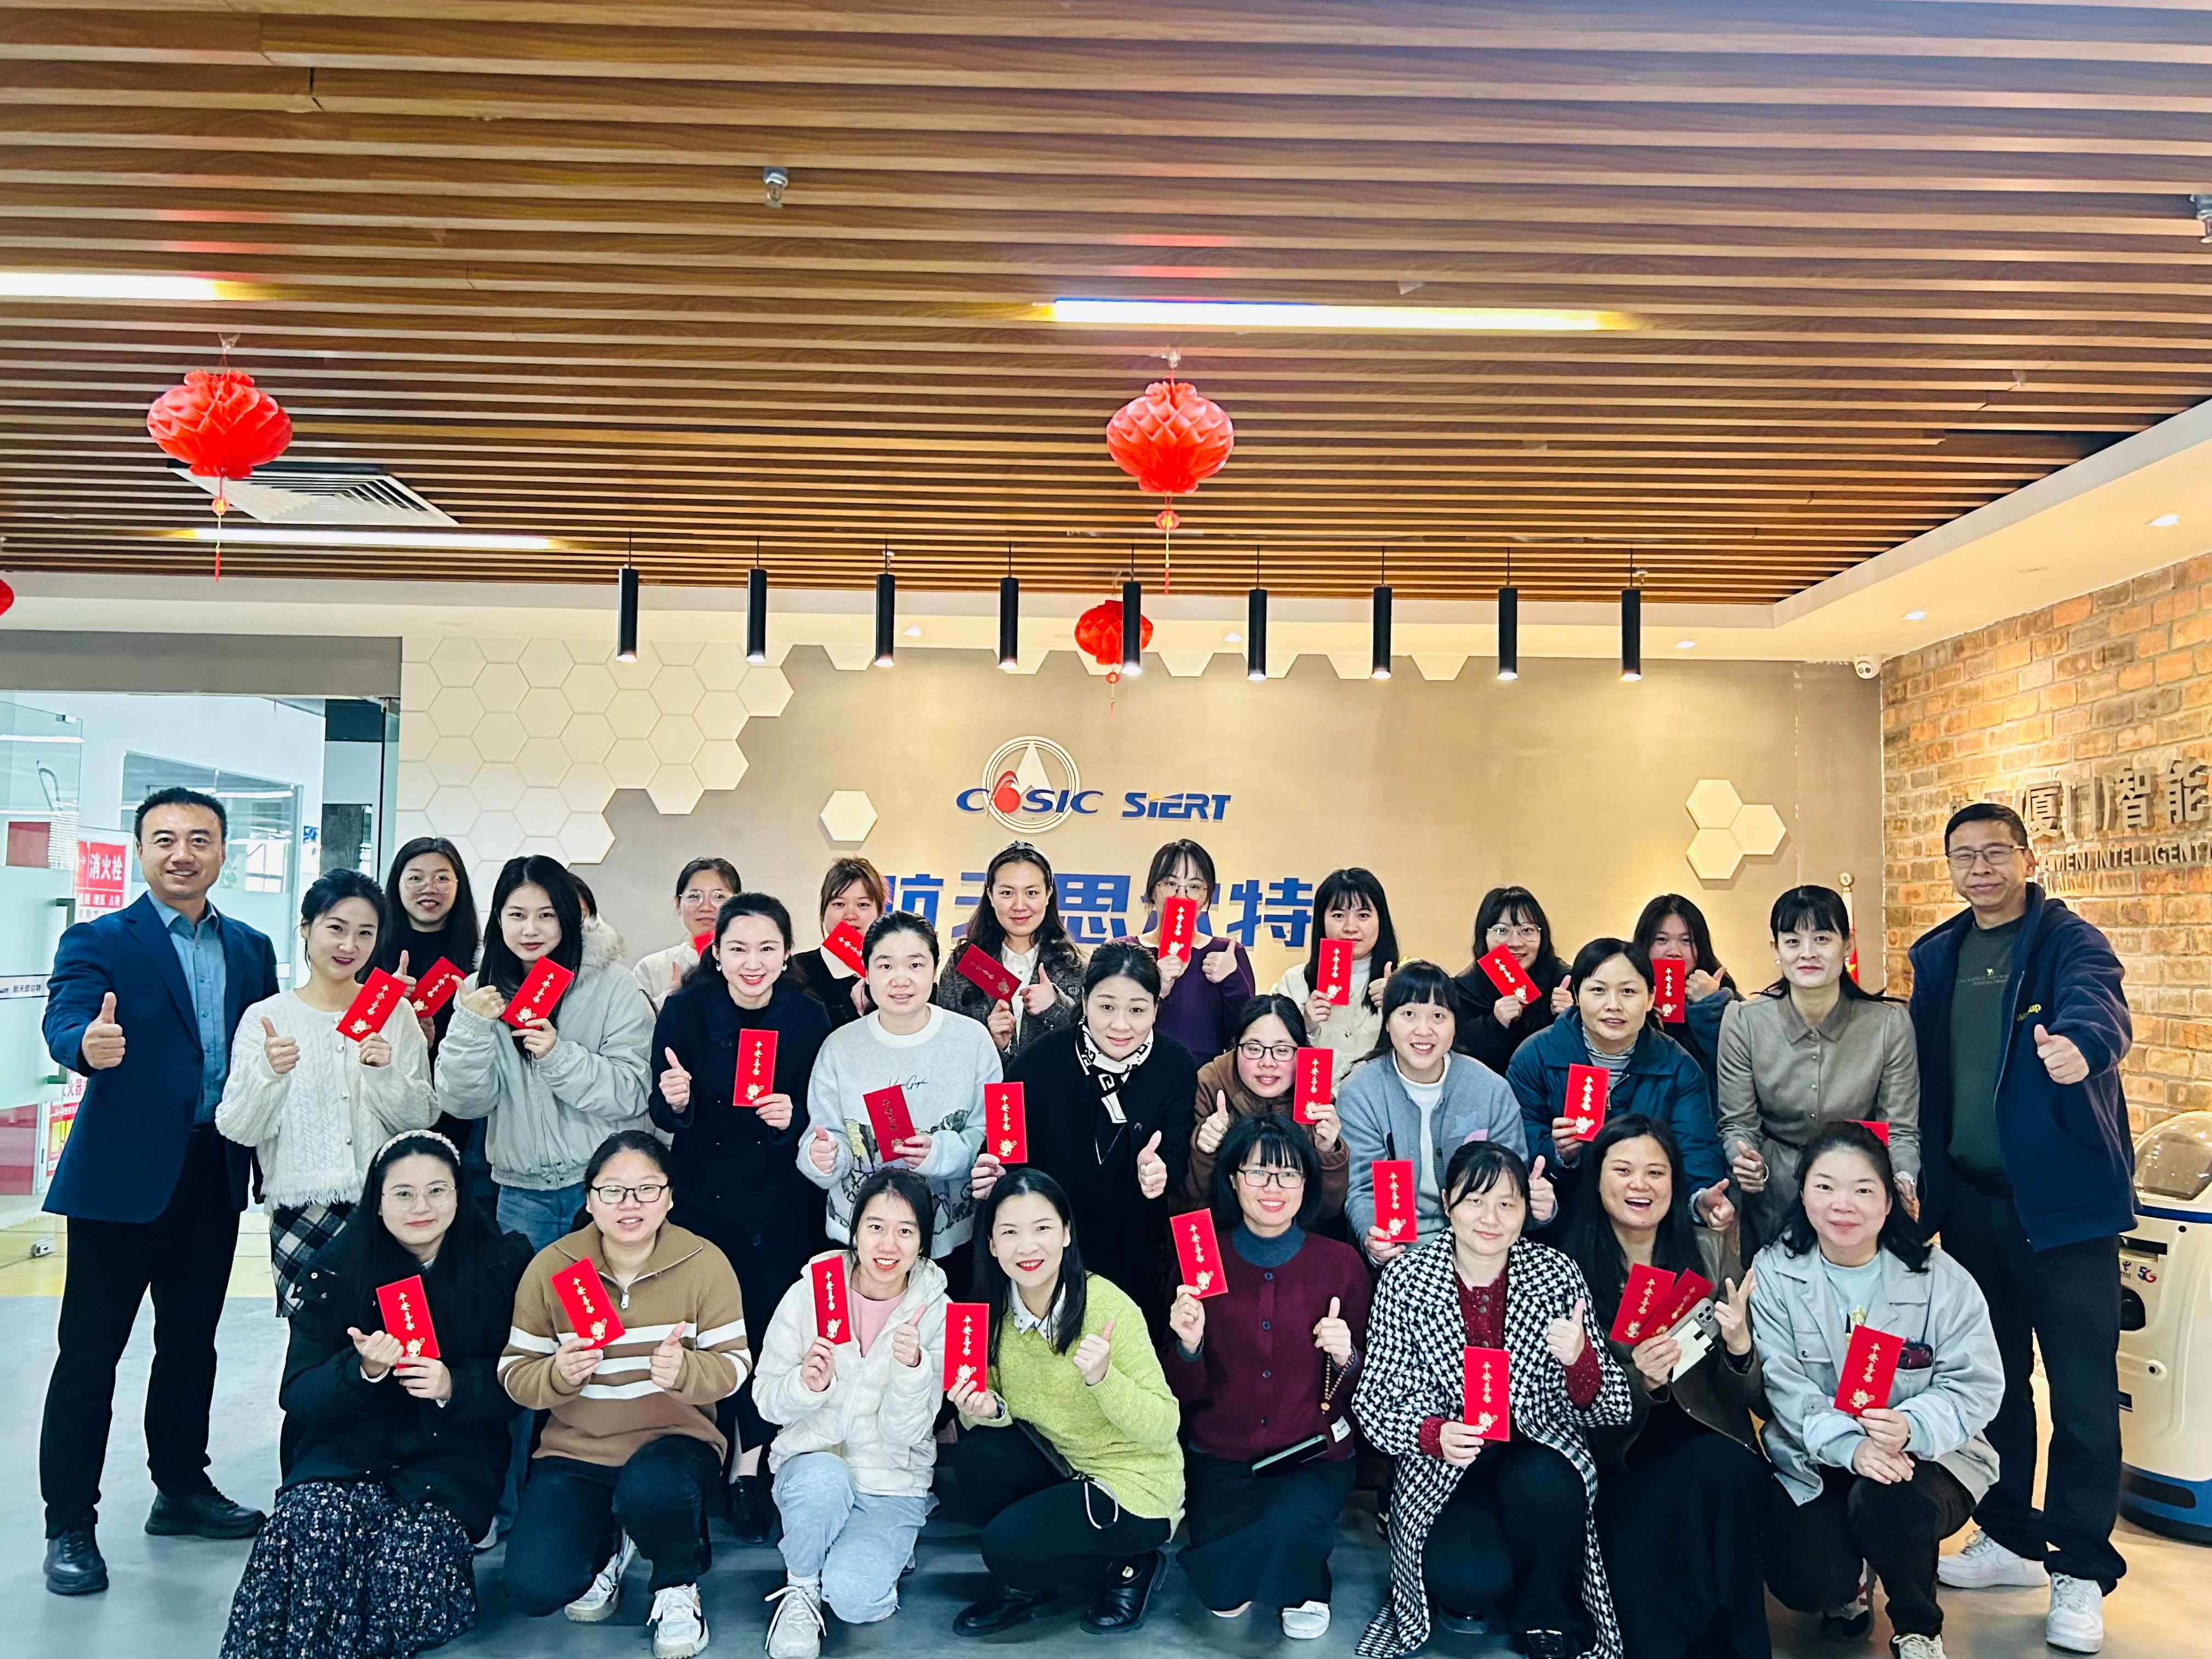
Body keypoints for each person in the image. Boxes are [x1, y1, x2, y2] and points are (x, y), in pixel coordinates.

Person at [39, 786, 280, 1595]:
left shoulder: (250, 947)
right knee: (89, 1356)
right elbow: (65, 1018)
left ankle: (180, 1488)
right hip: (120, 1182)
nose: (183, 853)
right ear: (141, 850)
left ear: (223, 852)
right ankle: (69, 1522)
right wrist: (86, 1043)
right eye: (166, 838)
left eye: (201, 839)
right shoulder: (100, 939)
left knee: (190, 1345)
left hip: (213, 1172)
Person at [1907, 803, 2134, 1654]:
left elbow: (2100, 1006)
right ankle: (2008, 1536)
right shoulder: (1939, 955)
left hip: (2067, 1212)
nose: (1981, 869)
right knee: (1993, 1385)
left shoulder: (2068, 940)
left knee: (2082, 1397)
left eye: (1996, 852)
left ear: (2028, 857)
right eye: (1964, 856)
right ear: (1951, 868)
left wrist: (2083, 1045)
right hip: (1972, 1205)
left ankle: (2079, 1567)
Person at [219, 1130, 530, 1659]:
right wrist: (360, 1370)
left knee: (401, 1565)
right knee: (311, 1530)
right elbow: (299, 1393)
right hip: (346, 1456)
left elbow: (520, 1385)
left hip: (449, 1463)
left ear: (460, 1194)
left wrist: (455, 1385)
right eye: (403, 1194)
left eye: (437, 1191)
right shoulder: (337, 1267)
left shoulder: (503, 1264)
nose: (421, 1208)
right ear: (377, 1202)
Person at [1352, 1140, 1632, 1659]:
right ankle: (1492, 1558)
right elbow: (1375, 1401)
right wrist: (1433, 1433)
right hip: (1446, 1464)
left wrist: (1580, 1360)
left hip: (1533, 1452)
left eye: (1507, 1203)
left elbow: (1612, 1407)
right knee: (1466, 1583)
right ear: (1448, 1204)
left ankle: (1544, 1610)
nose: (1491, 1218)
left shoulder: (1555, 1274)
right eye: (1475, 1201)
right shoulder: (1407, 1278)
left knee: (1549, 1486)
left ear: (1526, 1210)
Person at [1751, 1124, 2004, 1659]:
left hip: (1926, 1461)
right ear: (1803, 1193)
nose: (1842, 1204)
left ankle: (1918, 1628)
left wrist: (1913, 1425)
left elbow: (1977, 1382)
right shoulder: (1774, 1273)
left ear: (1890, 1201)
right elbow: (1783, 1384)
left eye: (1863, 1189)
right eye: (1825, 1187)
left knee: (1890, 1495)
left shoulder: (1941, 1278)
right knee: (1806, 1578)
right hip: (1817, 1456)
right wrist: (1851, 1446)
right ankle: (1848, 1585)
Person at [501, 1131, 752, 1659]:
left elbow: (735, 1367)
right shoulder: (553, 1266)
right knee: (535, 1587)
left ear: (670, 1197)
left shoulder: (705, 1262)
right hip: (578, 1450)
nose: (630, 1205)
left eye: (646, 1189)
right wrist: (557, 1375)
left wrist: (687, 1371)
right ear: (590, 1199)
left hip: (676, 1443)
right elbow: (514, 1372)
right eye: (613, 1191)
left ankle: (677, 1584)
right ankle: (610, 1546)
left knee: (653, 1487)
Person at [651, 892, 833, 1542]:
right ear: (717, 954)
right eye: (738, 949)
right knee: (705, 1329)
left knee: (765, 1328)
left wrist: (795, 1119)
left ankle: (748, 1470)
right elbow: (662, 1108)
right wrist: (676, 1102)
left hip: (780, 1200)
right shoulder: (685, 1010)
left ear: (785, 955)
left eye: (766, 949)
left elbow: (825, 1112)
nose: (752, 962)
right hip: (703, 1196)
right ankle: (700, 1459)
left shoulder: (808, 1015)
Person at [1563, 1115, 1769, 1659]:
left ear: (1676, 1183)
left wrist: (1740, 1348)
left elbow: (1747, 1397)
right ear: (1596, 1179)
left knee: (1724, 1466)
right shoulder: (1568, 1269)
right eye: (1624, 1170)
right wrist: (1640, 1381)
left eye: (1656, 1173)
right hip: (1622, 1462)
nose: (1641, 1185)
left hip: (1709, 1449)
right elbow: (1565, 1401)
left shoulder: (1708, 1252)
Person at [949, 1169, 1183, 1638]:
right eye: (1009, 1233)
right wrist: (987, 1411)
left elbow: (1163, 1425)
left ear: (1066, 1234)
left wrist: (1104, 1380)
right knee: (975, 1458)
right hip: (1062, 1467)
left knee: (1004, 1549)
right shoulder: (990, 1312)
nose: (1027, 1247)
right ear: (991, 1244)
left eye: (1042, 1228)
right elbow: (990, 1416)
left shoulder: (1108, 1307)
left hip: (1133, 1483)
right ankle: (1031, 1581)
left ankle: (1130, 1563)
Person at [1164, 1115, 1372, 1640]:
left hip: (1311, 1455)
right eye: (1258, 1172)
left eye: (1288, 1174)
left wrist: (1347, 1355)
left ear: (1307, 1183)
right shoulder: (1201, 1256)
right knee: (1222, 1601)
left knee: (1288, 1520)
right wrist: (1189, 1347)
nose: (1273, 1187)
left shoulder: (1341, 1263)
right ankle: (1288, 1561)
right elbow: (1178, 1392)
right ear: (1233, 1180)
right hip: (1221, 1453)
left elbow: (1369, 1385)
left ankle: (1306, 1578)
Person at [217, 870, 438, 1314]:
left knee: (399, 1337)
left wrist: (385, 1075)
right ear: (305, 928)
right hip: (301, 1210)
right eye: (336, 928)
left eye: (365, 933)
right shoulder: (267, 1017)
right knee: (312, 1341)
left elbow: (422, 1119)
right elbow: (238, 1128)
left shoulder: (393, 1013)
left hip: (388, 1206)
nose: (349, 945)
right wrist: (268, 1074)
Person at [753, 1168, 947, 1659]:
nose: (888, 1245)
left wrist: (912, 1369)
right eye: (875, 1227)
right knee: (825, 1478)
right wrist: (806, 1386)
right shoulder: (812, 1292)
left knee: (855, 1600)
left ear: (923, 1243)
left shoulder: (937, 1312)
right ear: (853, 1230)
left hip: (891, 1481)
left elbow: (909, 1433)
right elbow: (765, 1399)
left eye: (906, 1231)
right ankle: (800, 1588)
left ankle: (881, 1547)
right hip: (811, 1468)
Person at [971, 941, 1198, 1338]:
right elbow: (1001, 1151)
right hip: (1048, 1251)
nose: (1120, 1025)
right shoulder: (1038, 1062)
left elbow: (1176, 1149)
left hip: (1133, 1252)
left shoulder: (1175, 1064)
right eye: (1107, 1007)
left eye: (1137, 1010)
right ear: (1085, 999)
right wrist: (993, 1175)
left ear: (1156, 1009)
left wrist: (1162, 1171)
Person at [437, 856, 654, 1252]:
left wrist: (558, 1056)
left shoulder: (614, 985)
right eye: (517, 915)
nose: (530, 929)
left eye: (546, 915)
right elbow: (464, 1103)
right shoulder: (480, 991)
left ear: (568, 918)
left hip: (605, 1185)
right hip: (520, 1193)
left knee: (604, 1292)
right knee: (529, 1292)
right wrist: (471, 1027)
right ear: (498, 919)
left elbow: (633, 1091)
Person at [800, 911, 999, 1280]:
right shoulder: (840, 1047)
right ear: (866, 972)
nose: (900, 979)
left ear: (934, 970)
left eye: (915, 964)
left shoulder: (972, 1040)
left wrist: (942, 1153)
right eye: (885, 965)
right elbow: (825, 1132)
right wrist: (822, 1156)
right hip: (859, 1238)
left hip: (948, 1239)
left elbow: (987, 1133)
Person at [1718, 885, 1920, 1246]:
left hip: (1855, 1191)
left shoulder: (1889, 1025)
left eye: (1822, 939)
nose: (1807, 953)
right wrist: (1743, 1157)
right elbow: (1738, 1123)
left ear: (1848, 945)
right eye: (1792, 942)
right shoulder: (1744, 1022)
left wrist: (1903, 1176)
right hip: (1774, 1188)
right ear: (1776, 950)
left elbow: (1900, 1128)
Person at [1509, 938, 1730, 1221]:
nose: (1613, 1005)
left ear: (1650, 998)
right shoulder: (1534, 1057)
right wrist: (1560, 1155)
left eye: (1628, 991)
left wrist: (1700, 1200)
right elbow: (1519, 1150)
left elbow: (1696, 1149)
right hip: (1563, 1220)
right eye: (1598, 990)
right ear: (1577, 995)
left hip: (1648, 1221)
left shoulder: (1678, 1067)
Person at [1340, 961, 1544, 1266]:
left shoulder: (1491, 1090)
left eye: (1438, 1016)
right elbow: (1363, 1186)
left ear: (1455, 1023)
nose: (1424, 1031)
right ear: (1388, 1022)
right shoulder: (1361, 1091)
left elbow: (1511, 1184)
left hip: (1480, 1248)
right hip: (1401, 1256)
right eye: (1409, 1014)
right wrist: (1374, 1236)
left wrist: (1537, 1204)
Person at [375, 835, 487, 1205]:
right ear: (397, 884)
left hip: (461, 1113)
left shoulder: (480, 958)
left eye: (442, 878)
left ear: (459, 885)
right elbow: (351, 1033)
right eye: (415, 878)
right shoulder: (370, 950)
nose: (429, 888)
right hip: (387, 1106)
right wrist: (389, 1005)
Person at [1183, 994, 1348, 1221]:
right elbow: (1189, 1199)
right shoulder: (1210, 1084)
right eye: (1253, 1049)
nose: (1267, 1063)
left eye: (1282, 1050)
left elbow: (1327, 1211)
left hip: (1293, 1230)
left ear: (1301, 1052)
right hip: (1222, 1227)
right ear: (1236, 1047)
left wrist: (1328, 1152)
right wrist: (1204, 1149)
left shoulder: (1316, 1098)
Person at [935, 842, 1086, 1061]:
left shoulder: (1075, 968)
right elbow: (946, 1050)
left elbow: (1092, 1045)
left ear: (1048, 894)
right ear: (990, 895)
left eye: (1032, 893)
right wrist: (994, 1044)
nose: (1019, 905)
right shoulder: (963, 966)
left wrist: (1056, 1006)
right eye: (1007, 893)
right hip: (985, 1084)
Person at [1130, 839, 1254, 1068]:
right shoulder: (1125, 951)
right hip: (1136, 1078)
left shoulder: (1227, 954)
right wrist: (1155, 989)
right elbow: (1110, 1026)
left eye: (1194, 887)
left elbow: (1244, 1035)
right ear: (1152, 891)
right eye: (1170, 884)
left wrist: (1232, 980)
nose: (1181, 896)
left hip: (1204, 1082)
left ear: (1207, 897)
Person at [1271, 867, 1397, 1082]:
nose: (1350, 927)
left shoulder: (1403, 984)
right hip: (1310, 1102)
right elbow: (1271, 1055)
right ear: (1322, 920)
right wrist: (1306, 1026)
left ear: (1381, 921)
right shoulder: (1295, 981)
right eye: (1338, 915)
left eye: (1363, 915)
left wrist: (1399, 1008)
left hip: (1376, 1101)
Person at [1453, 885, 1573, 1078]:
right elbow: (1459, 1059)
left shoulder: (1565, 981)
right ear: (1484, 936)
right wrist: (1496, 1023)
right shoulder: (1463, 990)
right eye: (1502, 930)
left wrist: (1571, 1018)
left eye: (1527, 930)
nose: (1516, 943)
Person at [1632, 895, 1740, 1105]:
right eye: (1661, 940)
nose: (1674, 952)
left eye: (1686, 941)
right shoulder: (1625, 994)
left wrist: (1709, 1005)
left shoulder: (1723, 998)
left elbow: (1736, 1066)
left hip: (1702, 1113)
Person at [787, 857, 887, 1029]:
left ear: (880, 912)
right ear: (823, 911)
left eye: (863, 904)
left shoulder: (890, 969)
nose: (851, 915)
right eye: (839, 904)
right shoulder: (797, 970)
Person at [634, 859, 742, 1013]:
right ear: (678, 904)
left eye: (719, 897)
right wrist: (672, 998)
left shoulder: (753, 963)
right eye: (694, 896)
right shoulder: (651, 968)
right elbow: (637, 1025)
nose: (706, 907)